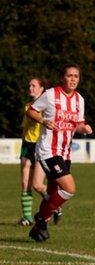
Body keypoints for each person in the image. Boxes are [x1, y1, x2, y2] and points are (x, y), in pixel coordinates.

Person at [26, 64, 93, 242]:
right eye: (69, 75)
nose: (73, 79)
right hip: (48, 150)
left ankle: (39, 227)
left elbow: (78, 124)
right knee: (69, 188)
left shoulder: (80, 99)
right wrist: (43, 121)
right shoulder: (50, 95)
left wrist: (84, 128)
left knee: (53, 191)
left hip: (65, 152)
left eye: (76, 76)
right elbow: (31, 111)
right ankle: (41, 218)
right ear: (62, 78)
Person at [17, 78, 48, 226]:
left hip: (40, 146)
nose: (30, 88)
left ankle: (54, 203)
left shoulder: (46, 107)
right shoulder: (27, 107)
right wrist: (23, 144)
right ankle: (27, 216)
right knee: (24, 182)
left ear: (41, 89)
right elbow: (25, 128)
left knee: (38, 185)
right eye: (29, 85)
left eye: (33, 85)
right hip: (27, 145)